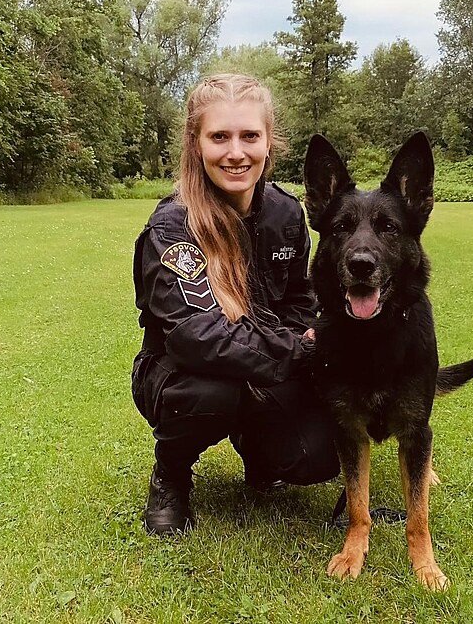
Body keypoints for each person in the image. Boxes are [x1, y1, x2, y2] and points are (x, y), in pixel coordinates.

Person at [131, 73, 340, 535]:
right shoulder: (173, 226)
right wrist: (298, 350)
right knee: (211, 392)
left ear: (268, 141)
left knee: (318, 457)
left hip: (267, 360)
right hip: (183, 372)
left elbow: (299, 300)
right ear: (196, 143)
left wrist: (301, 338)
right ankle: (170, 477)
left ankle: (258, 445)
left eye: (249, 136)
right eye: (219, 137)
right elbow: (193, 336)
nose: (236, 152)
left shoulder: (287, 213)